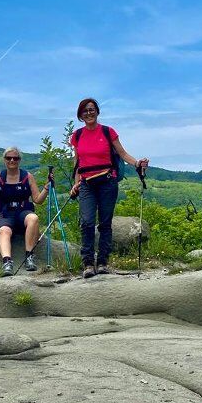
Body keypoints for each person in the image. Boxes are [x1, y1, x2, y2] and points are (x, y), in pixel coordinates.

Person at [69, 98, 149, 278]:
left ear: (97, 112)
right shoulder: (77, 135)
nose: (89, 113)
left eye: (91, 110)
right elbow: (77, 163)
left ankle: (103, 262)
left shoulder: (108, 132)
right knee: (87, 222)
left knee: (105, 223)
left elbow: (122, 153)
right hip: (86, 184)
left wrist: (137, 163)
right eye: (85, 111)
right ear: (80, 115)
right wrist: (76, 183)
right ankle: (88, 263)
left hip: (107, 181)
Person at [0, 148, 49, 275]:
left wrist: (47, 188)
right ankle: (7, 262)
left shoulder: (27, 176)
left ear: (19, 160)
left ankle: (29, 256)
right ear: (4, 160)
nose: (12, 160)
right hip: (5, 213)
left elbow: (37, 200)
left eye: (15, 158)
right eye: (8, 158)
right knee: (4, 231)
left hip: (23, 211)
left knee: (34, 218)